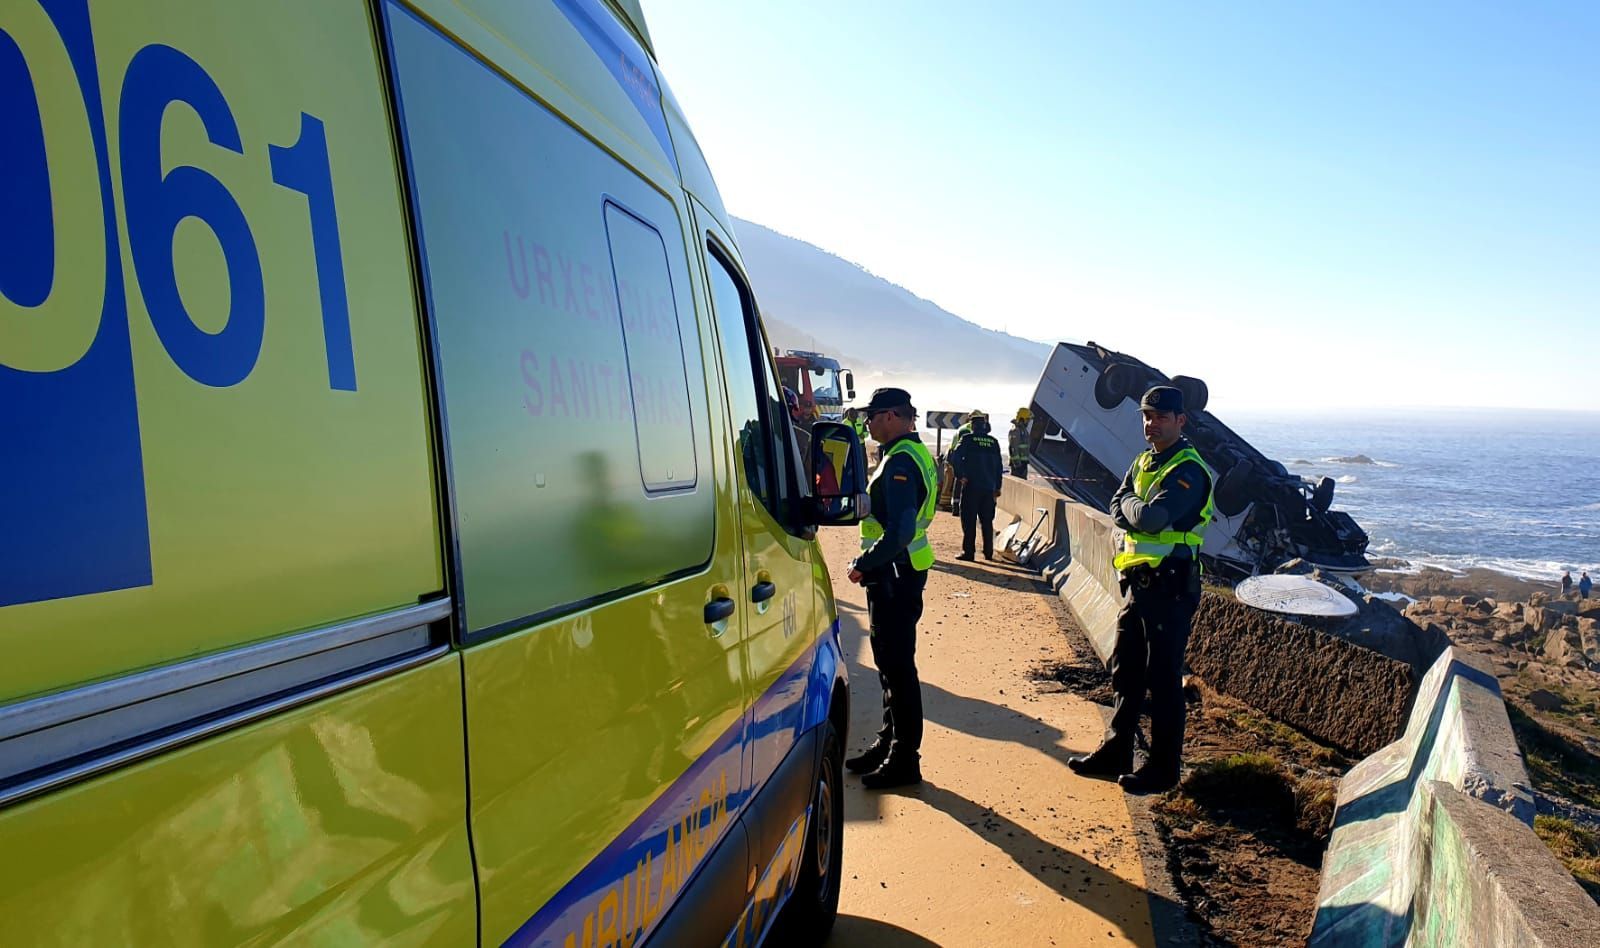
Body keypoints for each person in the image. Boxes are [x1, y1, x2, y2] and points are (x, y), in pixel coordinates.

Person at [1069, 385, 1215, 794]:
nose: (1151, 424)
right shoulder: (1144, 462)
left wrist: (1133, 508)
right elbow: (1118, 503)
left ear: (1180, 420)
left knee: (1163, 678)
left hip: (1171, 587)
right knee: (1126, 669)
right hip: (1139, 586)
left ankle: (1164, 770)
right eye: (1146, 416)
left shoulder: (1189, 470)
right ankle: (1117, 753)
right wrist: (1134, 508)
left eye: (1161, 417)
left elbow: (1150, 519)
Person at [845, 387, 938, 789]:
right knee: (889, 664)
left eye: (873, 416)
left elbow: (900, 530)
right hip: (900, 573)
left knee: (898, 667)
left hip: (894, 577)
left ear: (892, 417)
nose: (867, 423)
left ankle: (905, 759)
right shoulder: (914, 453)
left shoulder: (900, 461)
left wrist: (864, 563)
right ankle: (889, 742)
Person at [949, 411, 1003, 561]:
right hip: (989, 488)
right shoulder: (993, 442)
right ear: (985, 426)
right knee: (987, 521)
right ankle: (988, 552)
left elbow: (954, 457)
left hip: (972, 486)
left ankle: (969, 553)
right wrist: (998, 487)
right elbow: (999, 466)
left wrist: (961, 476)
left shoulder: (968, 439)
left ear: (972, 426)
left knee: (969, 520)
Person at [1008, 407, 1031, 479]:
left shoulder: (1023, 430)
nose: (1028, 421)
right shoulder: (1016, 430)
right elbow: (1013, 448)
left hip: (1023, 463)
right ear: (1022, 419)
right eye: (1027, 419)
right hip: (1018, 466)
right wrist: (1017, 465)